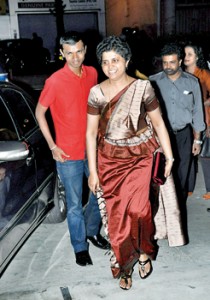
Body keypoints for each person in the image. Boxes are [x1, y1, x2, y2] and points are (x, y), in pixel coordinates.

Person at [86, 36, 174, 290]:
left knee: (140, 211)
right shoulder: (96, 93)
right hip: (109, 161)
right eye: (105, 62)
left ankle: (143, 251)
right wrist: (93, 171)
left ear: (127, 60)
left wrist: (169, 156)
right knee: (117, 219)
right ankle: (124, 266)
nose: (110, 66)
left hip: (140, 157)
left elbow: (158, 123)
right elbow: (91, 133)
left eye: (115, 60)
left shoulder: (143, 87)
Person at [35, 31, 109, 267]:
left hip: (92, 150)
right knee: (75, 204)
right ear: (62, 54)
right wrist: (52, 146)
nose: (75, 57)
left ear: (85, 50)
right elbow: (39, 112)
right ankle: (80, 246)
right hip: (67, 155)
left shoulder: (93, 73)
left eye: (78, 51)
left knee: (103, 195)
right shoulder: (54, 81)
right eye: (69, 53)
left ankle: (91, 230)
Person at [149, 43, 205, 203]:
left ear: (180, 61)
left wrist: (197, 139)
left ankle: (178, 206)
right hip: (160, 135)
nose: (168, 66)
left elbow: (197, 111)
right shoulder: (153, 82)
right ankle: (161, 207)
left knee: (182, 173)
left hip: (184, 135)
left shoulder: (192, 82)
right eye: (165, 62)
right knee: (159, 174)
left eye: (172, 62)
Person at [184, 42, 210, 199]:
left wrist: (199, 104)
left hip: (204, 118)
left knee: (205, 155)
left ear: (197, 57)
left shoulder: (204, 75)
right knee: (187, 154)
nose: (186, 57)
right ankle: (189, 187)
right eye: (184, 54)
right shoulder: (180, 74)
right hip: (186, 120)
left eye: (190, 54)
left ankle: (209, 189)